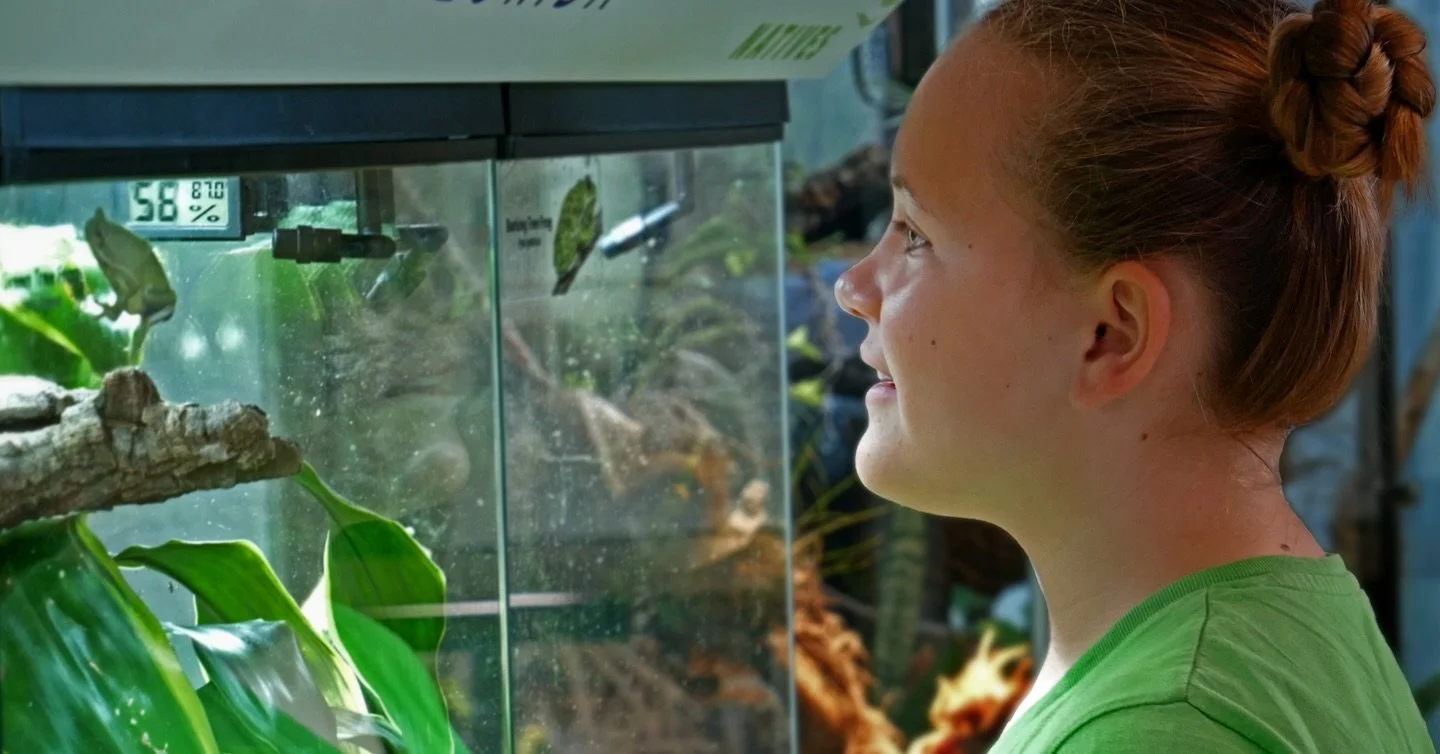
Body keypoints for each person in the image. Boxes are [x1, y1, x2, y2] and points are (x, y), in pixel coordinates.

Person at [833, 0, 1438, 751]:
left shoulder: (1164, 729)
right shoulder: (1281, 631)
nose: (854, 286)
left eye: (915, 234)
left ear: (1110, 335)